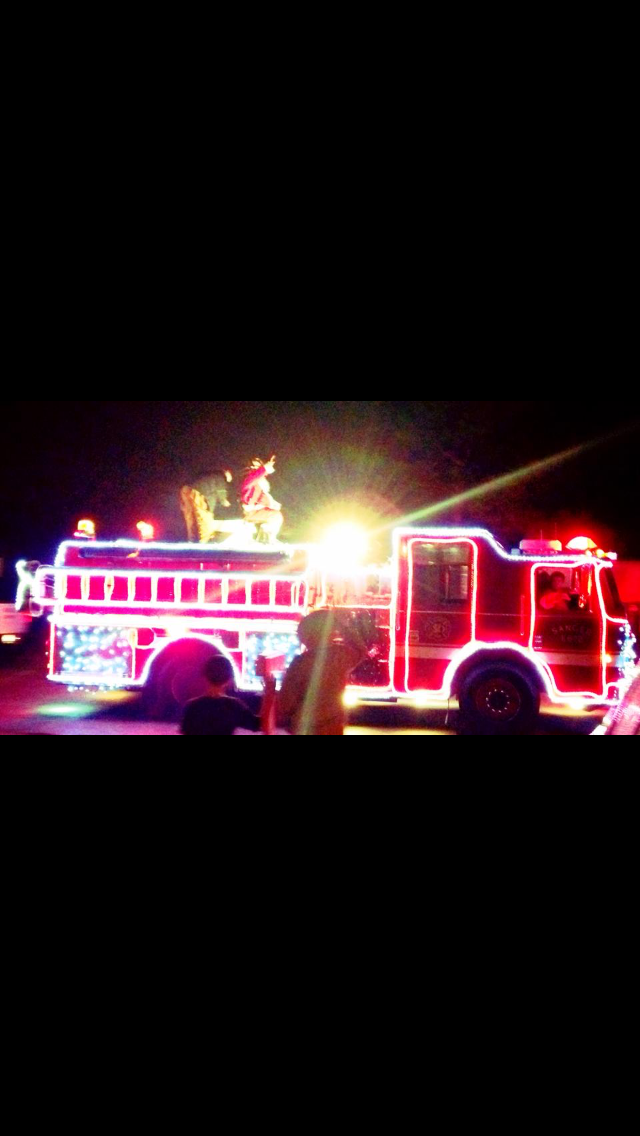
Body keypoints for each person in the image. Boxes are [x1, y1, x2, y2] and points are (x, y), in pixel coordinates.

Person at [276, 610, 370, 736]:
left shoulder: (300, 663)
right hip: (333, 725)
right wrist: (344, 628)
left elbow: (285, 704)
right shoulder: (340, 655)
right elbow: (360, 650)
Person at [181, 655, 276, 736]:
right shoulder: (233, 706)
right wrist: (269, 695)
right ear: (229, 680)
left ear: (205, 676)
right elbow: (262, 725)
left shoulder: (192, 707)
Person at [240, 456, 284, 544]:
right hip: (251, 512)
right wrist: (265, 468)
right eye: (254, 466)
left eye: (258, 466)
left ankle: (265, 537)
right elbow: (255, 477)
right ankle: (266, 538)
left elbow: (262, 495)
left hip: (256, 510)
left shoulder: (259, 480)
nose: (256, 468)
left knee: (276, 516)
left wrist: (272, 504)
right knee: (275, 516)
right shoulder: (249, 478)